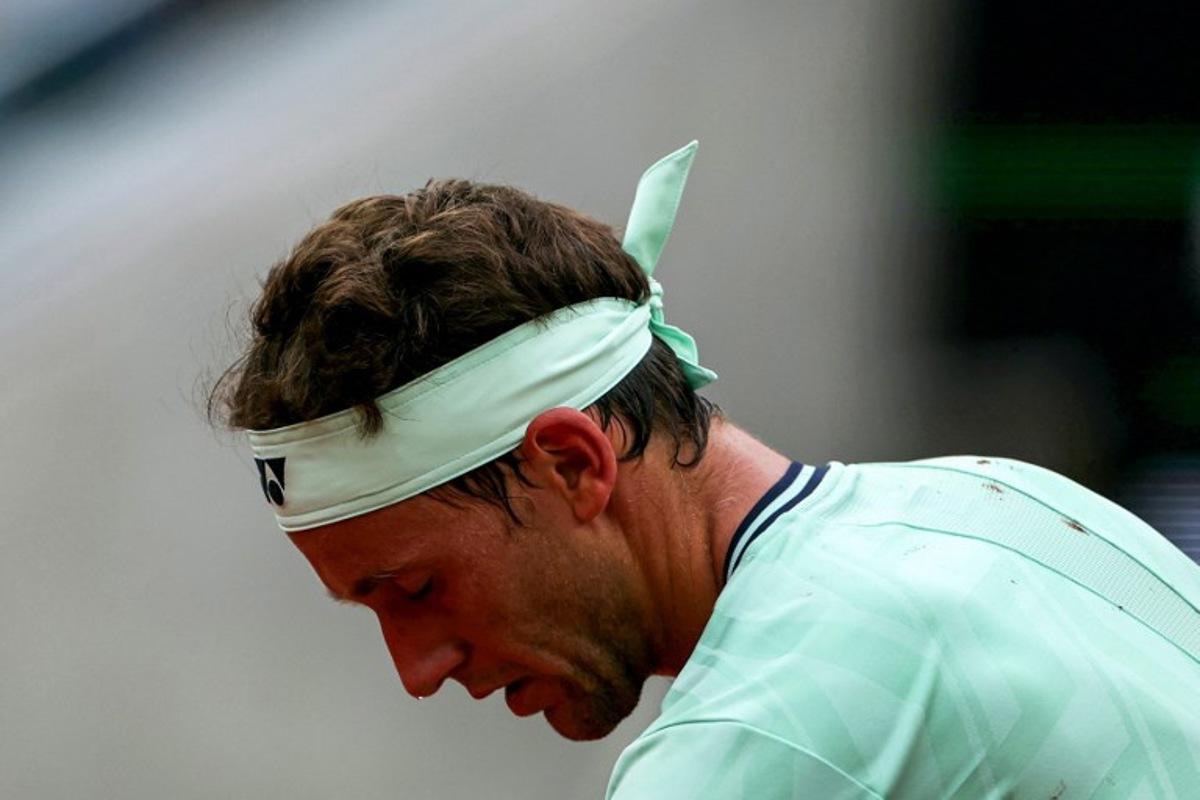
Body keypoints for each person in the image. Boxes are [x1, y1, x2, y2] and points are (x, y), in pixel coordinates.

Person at [210, 142, 1200, 798]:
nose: (416, 668)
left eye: (418, 588)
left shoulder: (763, 730)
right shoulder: (1005, 499)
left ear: (572, 461)